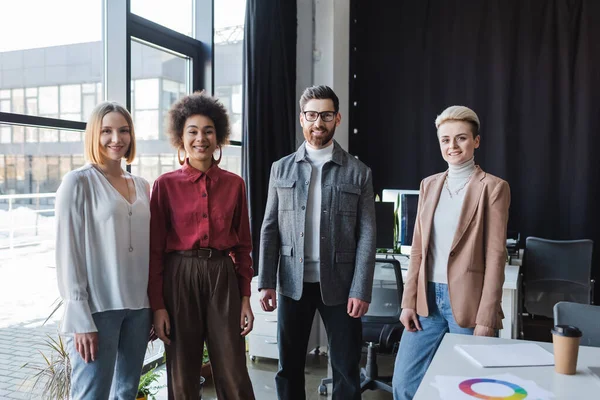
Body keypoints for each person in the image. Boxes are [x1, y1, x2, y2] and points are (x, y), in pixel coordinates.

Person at [258, 85, 376, 400]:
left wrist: (360, 289)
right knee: (289, 367)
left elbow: (367, 235)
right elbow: (270, 227)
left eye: (325, 115)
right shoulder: (280, 168)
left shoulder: (358, 173)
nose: (318, 122)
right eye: (311, 115)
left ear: (337, 118)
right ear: (302, 119)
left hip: (340, 286)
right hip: (292, 282)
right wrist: (266, 281)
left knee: (346, 368)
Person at [392, 106, 511, 400]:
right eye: (445, 140)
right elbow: (418, 249)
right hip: (426, 300)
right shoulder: (429, 185)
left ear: (476, 141)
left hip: (469, 304)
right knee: (405, 383)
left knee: (467, 389)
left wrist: (487, 317)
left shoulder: (493, 188)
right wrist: (408, 301)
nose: (452, 146)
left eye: (460, 138)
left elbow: (496, 255)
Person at [149, 92, 255, 399]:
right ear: (180, 137)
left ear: (218, 136)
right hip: (178, 275)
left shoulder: (235, 184)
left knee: (234, 368)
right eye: (192, 131)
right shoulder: (165, 185)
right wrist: (158, 306)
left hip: (223, 275)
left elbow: (243, 246)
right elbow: (155, 251)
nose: (200, 138)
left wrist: (246, 296)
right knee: (182, 369)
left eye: (208, 131)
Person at [55, 102, 151, 399]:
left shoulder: (143, 185)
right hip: (97, 310)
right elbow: (67, 252)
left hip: (139, 309)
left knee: (126, 392)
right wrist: (80, 317)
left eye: (123, 131)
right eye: (106, 131)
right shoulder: (78, 182)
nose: (116, 139)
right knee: (90, 395)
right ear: (94, 136)